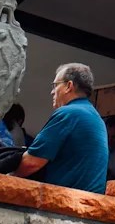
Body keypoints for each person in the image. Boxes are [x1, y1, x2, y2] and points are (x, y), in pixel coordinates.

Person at [17, 63, 108, 193]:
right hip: (90, 200)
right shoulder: (97, 118)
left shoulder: (69, 113)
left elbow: (32, 162)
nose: (52, 91)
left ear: (68, 86)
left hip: (67, 200)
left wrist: (9, 176)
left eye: (55, 85)